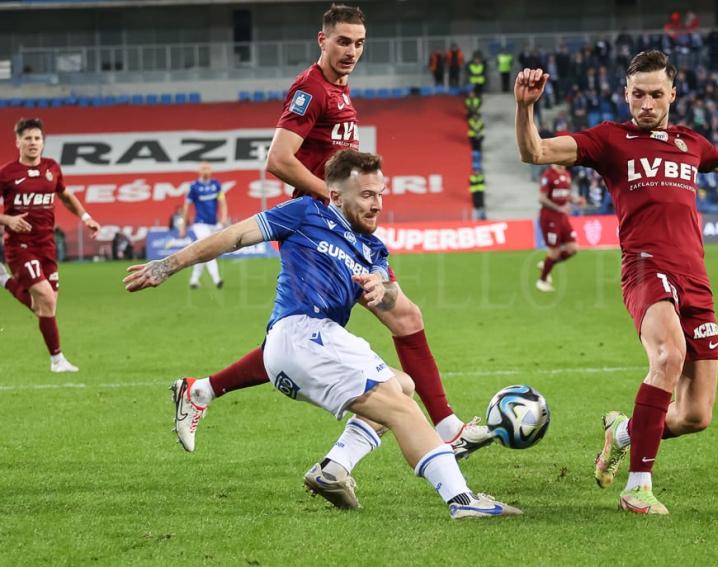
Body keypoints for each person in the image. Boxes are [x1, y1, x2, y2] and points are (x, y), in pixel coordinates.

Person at [515, 50, 718, 514]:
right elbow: (536, 152)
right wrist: (526, 107)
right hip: (645, 269)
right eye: (638, 94)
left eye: (655, 94)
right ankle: (637, 487)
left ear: (672, 94)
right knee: (669, 354)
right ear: (626, 95)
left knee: (694, 415)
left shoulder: (690, 143)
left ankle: (623, 432)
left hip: (695, 278)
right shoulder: (610, 140)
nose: (646, 104)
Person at [169, 4, 492, 468]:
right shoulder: (309, 90)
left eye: (359, 43)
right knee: (393, 318)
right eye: (343, 41)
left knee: (311, 332)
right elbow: (279, 160)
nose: (352, 51)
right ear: (322, 40)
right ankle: (446, 429)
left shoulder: (340, 90)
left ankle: (201, 389)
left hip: (341, 228)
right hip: (320, 229)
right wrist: (334, 198)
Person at [124, 150, 521, 519]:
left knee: (402, 385)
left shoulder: (373, 248)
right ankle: (462, 500)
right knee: (402, 410)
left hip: (306, 346)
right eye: (366, 194)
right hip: (301, 334)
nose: (376, 204)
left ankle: (334, 468)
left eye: (379, 194)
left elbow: (388, 292)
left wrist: (383, 289)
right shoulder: (305, 212)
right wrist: (169, 265)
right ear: (335, 195)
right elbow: (233, 236)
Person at [0, 118, 101, 372]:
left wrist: (86, 217)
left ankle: (4, 280)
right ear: (18, 142)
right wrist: (8, 219)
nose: (33, 143)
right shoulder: (6, 174)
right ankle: (57, 360)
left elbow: (65, 195)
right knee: (45, 297)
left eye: (37, 138)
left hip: (47, 244)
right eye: (28, 138)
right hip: (20, 247)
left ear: (43, 142)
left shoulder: (52, 168)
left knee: (45, 305)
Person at [177, 161, 227, 289]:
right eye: (203, 168)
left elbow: (222, 202)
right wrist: (183, 224)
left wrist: (223, 219)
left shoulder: (216, 185)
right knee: (209, 248)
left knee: (202, 251)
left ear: (211, 171)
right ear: (199, 171)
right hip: (200, 224)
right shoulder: (194, 187)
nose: (205, 171)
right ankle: (217, 279)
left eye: (207, 168)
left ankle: (194, 279)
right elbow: (186, 207)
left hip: (214, 224)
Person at [536, 164, 583, 292]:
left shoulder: (566, 174)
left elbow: (565, 195)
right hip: (549, 217)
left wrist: (576, 200)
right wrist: (558, 208)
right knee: (554, 251)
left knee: (573, 249)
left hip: (562, 217)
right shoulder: (548, 175)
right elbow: (542, 198)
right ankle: (542, 281)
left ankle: (546, 265)